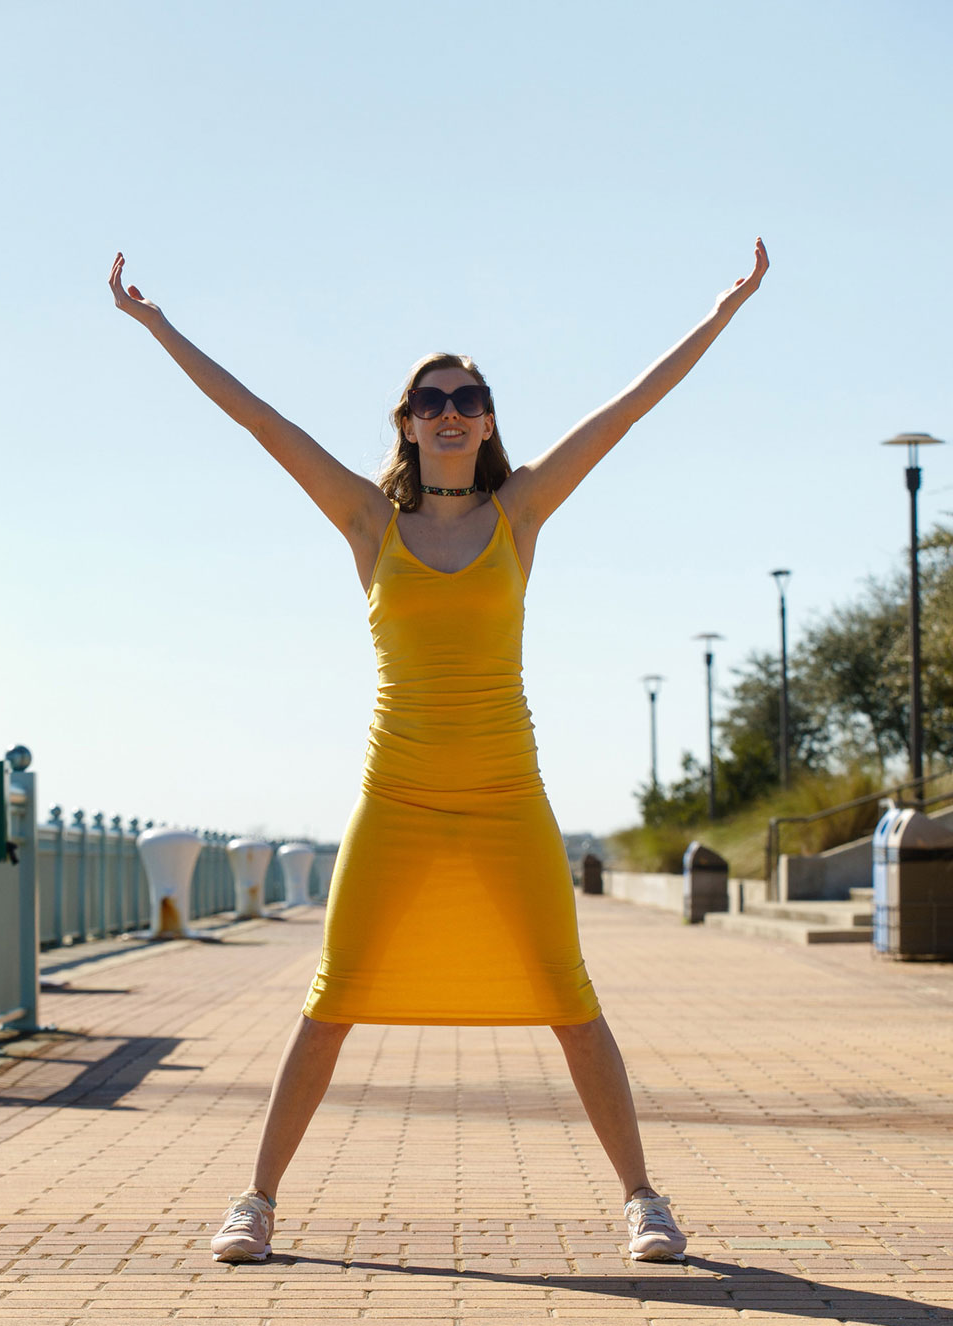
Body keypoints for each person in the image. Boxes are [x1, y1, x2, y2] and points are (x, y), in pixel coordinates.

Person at [109, 238, 770, 1267]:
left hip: (507, 794)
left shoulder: (520, 511)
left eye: (468, 396)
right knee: (332, 1000)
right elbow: (258, 421)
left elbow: (628, 410)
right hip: (399, 796)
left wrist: (721, 314)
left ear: (489, 418)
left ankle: (642, 1198)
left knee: (568, 998)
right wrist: (157, 328)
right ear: (407, 425)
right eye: (431, 399)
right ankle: (256, 1201)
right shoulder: (370, 521)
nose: (451, 409)